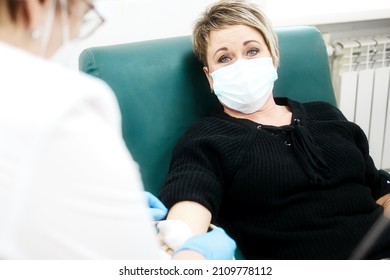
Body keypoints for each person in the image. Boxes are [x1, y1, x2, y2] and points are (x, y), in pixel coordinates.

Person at [0, 0, 235, 259]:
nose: (75, 34)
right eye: (81, 18)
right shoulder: (62, 109)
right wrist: (196, 258)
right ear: (33, 7)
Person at [159, 0, 390, 259]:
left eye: (252, 51)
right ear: (210, 78)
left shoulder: (325, 114)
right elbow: (189, 208)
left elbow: (378, 189)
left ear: (273, 58)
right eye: (224, 58)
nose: (241, 65)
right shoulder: (206, 139)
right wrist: (183, 249)